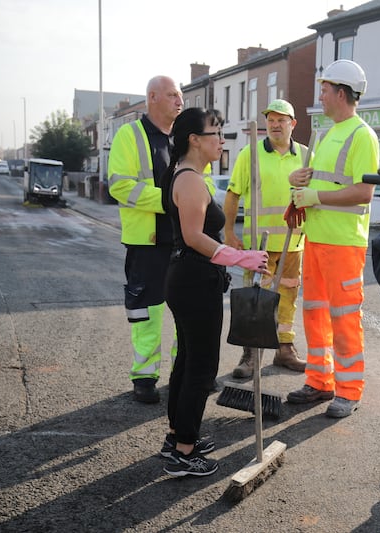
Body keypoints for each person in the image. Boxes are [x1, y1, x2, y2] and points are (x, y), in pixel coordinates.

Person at [160, 107, 269, 477]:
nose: (221, 141)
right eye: (215, 133)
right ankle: (184, 453)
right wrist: (243, 258)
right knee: (201, 367)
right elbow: (194, 238)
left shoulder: (187, 175)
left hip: (189, 279)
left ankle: (177, 437)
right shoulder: (189, 180)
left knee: (188, 361)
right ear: (194, 139)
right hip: (194, 280)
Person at [285, 59, 379, 418]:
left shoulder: (361, 135)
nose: (320, 96)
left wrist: (316, 198)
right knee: (315, 315)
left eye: (324, 89)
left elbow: (364, 191)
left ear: (341, 93)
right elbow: (320, 179)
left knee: (343, 319)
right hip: (317, 239)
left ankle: (349, 390)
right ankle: (319, 381)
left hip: (344, 244)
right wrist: (300, 180)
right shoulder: (324, 133)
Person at [107, 75, 183, 404]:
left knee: (185, 312)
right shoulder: (130, 135)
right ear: (152, 97)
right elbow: (119, 185)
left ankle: (185, 371)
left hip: (183, 242)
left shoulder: (183, 138)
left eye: (181, 96)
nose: (179, 101)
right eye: (172, 95)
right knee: (147, 313)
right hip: (147, 243)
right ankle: (145, 376)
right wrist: (169, 198)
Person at [224, 99, 308, 378]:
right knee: (254, 299)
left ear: (292, 124)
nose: (274, 124)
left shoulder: (306, 156)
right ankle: (250, 354)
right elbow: (233, 193)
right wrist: (228, 232)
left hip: (293, 244)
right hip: (257, 245)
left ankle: (284, 348)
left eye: (280, 120)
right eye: (270, 120)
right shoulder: (251, 154)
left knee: (288, 297)